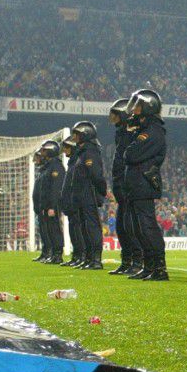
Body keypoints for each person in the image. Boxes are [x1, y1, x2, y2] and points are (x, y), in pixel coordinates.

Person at [123, 88, 169, 281]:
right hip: (137, 184)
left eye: (138, 106)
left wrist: (133, 137)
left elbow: (130, 155)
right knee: (139, 228)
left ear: (148, 108)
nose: (134, 110)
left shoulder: (153, 131)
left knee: (147, 227)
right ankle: (149, 266)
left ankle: (159, 268)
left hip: (143, 184)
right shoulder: (145, 130)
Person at [107, 98, 143, 276]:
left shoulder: (132, 132)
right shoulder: (121, 133)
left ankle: (137, 261)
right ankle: (127, 261)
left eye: (115, 114)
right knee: (121, 226)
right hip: (121, 185)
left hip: (128, 184)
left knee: (129, 225)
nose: (112, 118)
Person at [67, 120, 107, 270]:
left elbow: (96, 175)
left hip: (89, 195)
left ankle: (96, 259)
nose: (74, 137)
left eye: (77, 134)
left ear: (85, 135)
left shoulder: (90, 152)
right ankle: (89, 258)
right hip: (81, 196)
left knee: (91, 227)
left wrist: (101, 192)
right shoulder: (82, 153)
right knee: (84, 227)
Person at [37, 139, 65, 264]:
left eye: (44, 150)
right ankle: (53, 254)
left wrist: (53, 206)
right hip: (47, 205)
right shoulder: (48, 167)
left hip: (52, 205)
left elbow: (56, 188)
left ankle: (58, 255)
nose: (42, 153)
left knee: (54, 229)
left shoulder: (56, 166)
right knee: (49, 229)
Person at [60, 138, 84, 266]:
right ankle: (77, 256)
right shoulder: (72, 163)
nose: (64, 150)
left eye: (67, 147)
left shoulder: (77, 162)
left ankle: (82, 256)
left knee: (78, 230)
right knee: (73, 231)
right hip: (70, 203)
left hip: (76, 202)